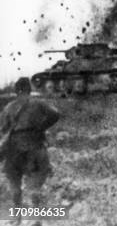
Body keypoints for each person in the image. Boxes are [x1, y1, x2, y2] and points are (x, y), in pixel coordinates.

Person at [0, 77, 60, 223]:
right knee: (34, 186)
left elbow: (3, 129)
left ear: (16, 90)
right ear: (29, 89)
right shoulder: (38, 103)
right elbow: (55, 113)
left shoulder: (9, 107)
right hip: (35, 145)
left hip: (14, 149)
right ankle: (36, 219)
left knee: (15, 184)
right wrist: (41, 127)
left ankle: (17, 218)